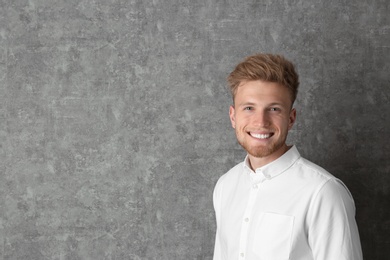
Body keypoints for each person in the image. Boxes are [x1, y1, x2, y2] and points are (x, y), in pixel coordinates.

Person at [212, 53, 363, 260]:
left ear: (291, 118)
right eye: (249, 108)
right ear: (233, 116)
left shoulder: (323, 192)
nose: (260, 122)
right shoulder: (225, 186)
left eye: (274, 109)